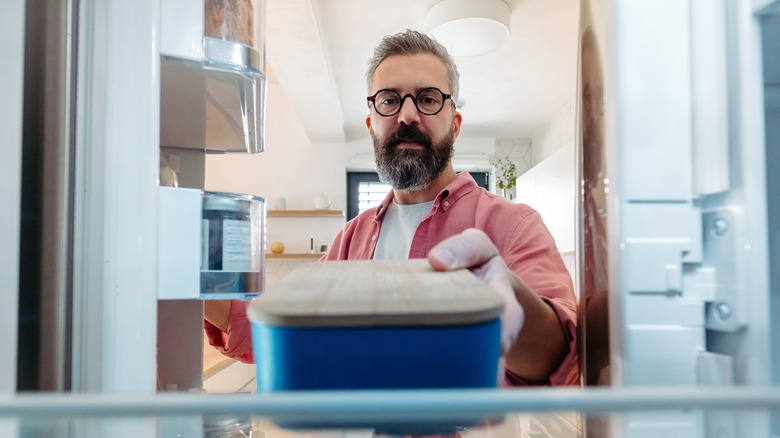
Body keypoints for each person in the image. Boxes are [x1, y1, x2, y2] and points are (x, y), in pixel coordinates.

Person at [205, 29, 579, 386]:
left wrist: (507, 301)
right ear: (371, 125)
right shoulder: (351, 239)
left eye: (429, 98)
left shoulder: (515, 225)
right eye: (389, 100)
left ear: (456, 124)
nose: (408, 115)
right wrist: (188, 278)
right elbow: (285, 332)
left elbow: (565, 359)